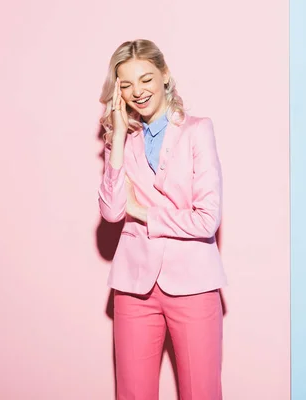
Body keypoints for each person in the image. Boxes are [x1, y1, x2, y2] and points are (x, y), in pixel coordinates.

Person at [98, 39, 226, 400]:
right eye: (126, 84)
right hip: (133, 287)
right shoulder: (121, 141)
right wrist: (119, 137)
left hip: (194, 285)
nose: (137, 91)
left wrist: (141, 211)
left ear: (165, 76)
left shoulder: (198, 130)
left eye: (146, 79)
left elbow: (206, 220)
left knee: (201, 393)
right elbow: (110, 211)